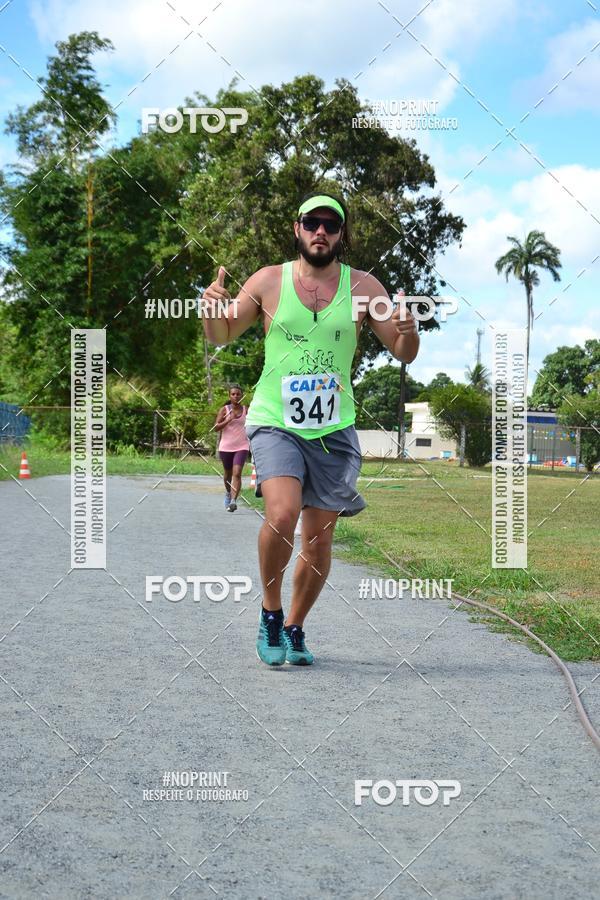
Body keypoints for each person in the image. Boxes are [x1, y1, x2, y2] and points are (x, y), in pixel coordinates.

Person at [202, 191, 419, 666]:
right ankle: (271, 613)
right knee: (282, 514)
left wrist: (409, 329)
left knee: (318, 540)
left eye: (331, 224)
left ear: (342, 234)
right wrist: (210, 307)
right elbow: (221, 335)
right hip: (275, 420)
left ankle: (296, 628)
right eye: (311, 222)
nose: (321, 231)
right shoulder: (266, 281)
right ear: (296, 228)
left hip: (334, 428)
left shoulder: (364, 288)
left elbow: (403, 352)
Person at [214, 384, 249, 512]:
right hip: (226, 447)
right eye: (233, 394)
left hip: (242, 446)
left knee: (237, 473)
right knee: (228, 473)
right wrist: (228, 420)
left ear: (242, 395)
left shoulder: (247, 409)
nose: (236, 396)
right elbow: (216, 428)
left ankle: (234, 501)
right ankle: (228, 493)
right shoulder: (224, 410)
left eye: (238, 394)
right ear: (229, 396)